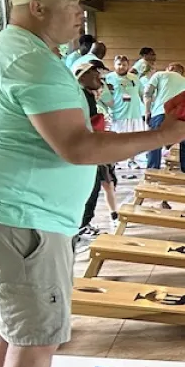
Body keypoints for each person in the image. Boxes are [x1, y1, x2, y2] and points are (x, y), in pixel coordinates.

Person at [0, 0, 185, 367]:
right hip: (25, 219)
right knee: (34, 342)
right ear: (37, 8)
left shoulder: (19, 53)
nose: (80, 14)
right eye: (71, 4)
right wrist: (169, 135)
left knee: (4, 334)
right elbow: (78, 147)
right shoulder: (30, 61)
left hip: (7, 213)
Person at [73, 62, 120, 237]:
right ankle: (82, 224)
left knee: (100, 185)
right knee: (91, 187)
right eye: (94, 75)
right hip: (87, 148)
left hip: (93, 146)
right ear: (82, 77)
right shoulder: (80, 96)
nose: (99, 80)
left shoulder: (88, 96)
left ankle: (84, 223)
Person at [143, 63, 185, 173]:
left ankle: (152, 172)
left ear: (169, 69)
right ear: (182, 73)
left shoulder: (160, 74)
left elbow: (147, 93)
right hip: (181, 118)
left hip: (161, 113)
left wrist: (147, 111)